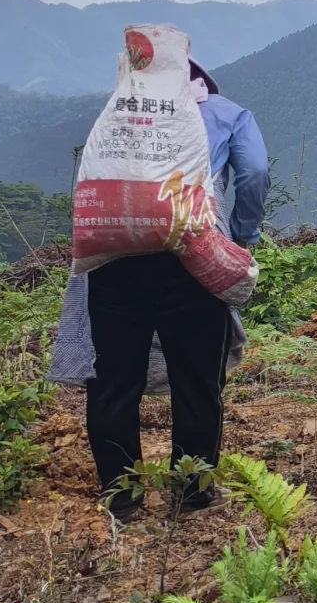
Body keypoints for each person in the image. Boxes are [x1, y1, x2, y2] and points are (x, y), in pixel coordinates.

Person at [84, 59, 269, 517]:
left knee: (113, 382)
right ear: (198, 80)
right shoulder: (227, 113)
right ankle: (192, 493)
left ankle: (122, 500)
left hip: (114, 262)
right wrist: (242, 236)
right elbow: (255, 173)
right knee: (198, 382)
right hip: (193, 259)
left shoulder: (117, 113)